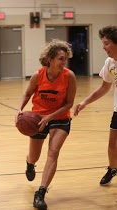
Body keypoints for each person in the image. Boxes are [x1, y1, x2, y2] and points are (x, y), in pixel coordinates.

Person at [15, 39, 76, 210]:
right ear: (50, 59)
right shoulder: (38, 75)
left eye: (65, 58)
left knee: (53, 152)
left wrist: (51, 117)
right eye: (60, 59)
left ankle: (41, 192)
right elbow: (27, 94)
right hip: (38, 119)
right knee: (34, 156)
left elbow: (69, 103)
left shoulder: (69, 76)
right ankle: (29, 163)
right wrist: (19, 109)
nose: (64, 62)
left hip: (60, 118)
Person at [74, 26, 117, 186]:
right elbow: (105, 87)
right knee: (112, 146)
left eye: (106, 43)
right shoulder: (110, 63)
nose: (103, 47)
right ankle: (113, 169)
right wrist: (85, 102)